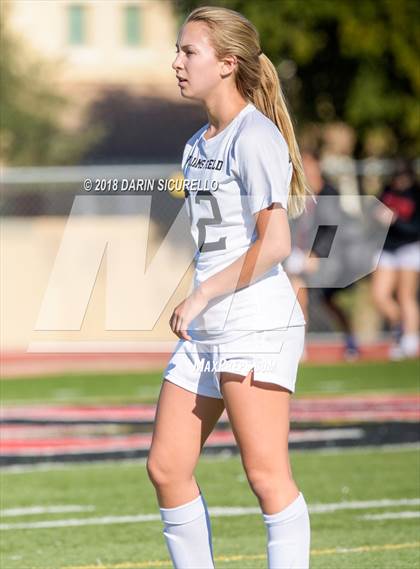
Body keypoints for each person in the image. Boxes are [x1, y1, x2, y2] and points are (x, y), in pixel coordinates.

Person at [147, 6, 311, 568]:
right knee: (167, 469)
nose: (176, 62)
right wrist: (202, 297)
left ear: (227, 63)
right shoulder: (197, 145)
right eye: (179, 50)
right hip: (206, 330)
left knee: (267, 477)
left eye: (188, 52)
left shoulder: (255, 136)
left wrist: (201, 294)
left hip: (255, 322)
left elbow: (275, 243)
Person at [284, 150, 361, 360]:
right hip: (302, 256)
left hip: (329, 257)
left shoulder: (329, 193)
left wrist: (316, 254)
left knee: (329, 302)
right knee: (297, 295)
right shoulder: (298, 193)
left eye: (309, 166)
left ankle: (351, 340)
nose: (306, 171)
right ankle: (299, 347)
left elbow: (330, 227)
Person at [371, 158, 420, 359]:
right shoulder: (387, 191)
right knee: (379, 295)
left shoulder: (416, 194)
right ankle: (402, 326)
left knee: (405, 295)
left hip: (409, 247)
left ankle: (409, 340)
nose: (399, 181)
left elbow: (415, 228)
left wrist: (395, 220)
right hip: (388, 248)